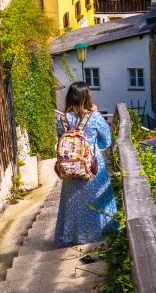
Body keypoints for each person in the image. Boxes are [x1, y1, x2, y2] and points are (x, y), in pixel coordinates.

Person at [54, 82, 120, 246]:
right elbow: (106, 142)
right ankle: (102, 230)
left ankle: (71, 235)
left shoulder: (61, 119)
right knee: (96, 197)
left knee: (72, 202)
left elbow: (61, 139)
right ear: (87, 96)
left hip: (70, 166)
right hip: (92, 164)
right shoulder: (94, 116)